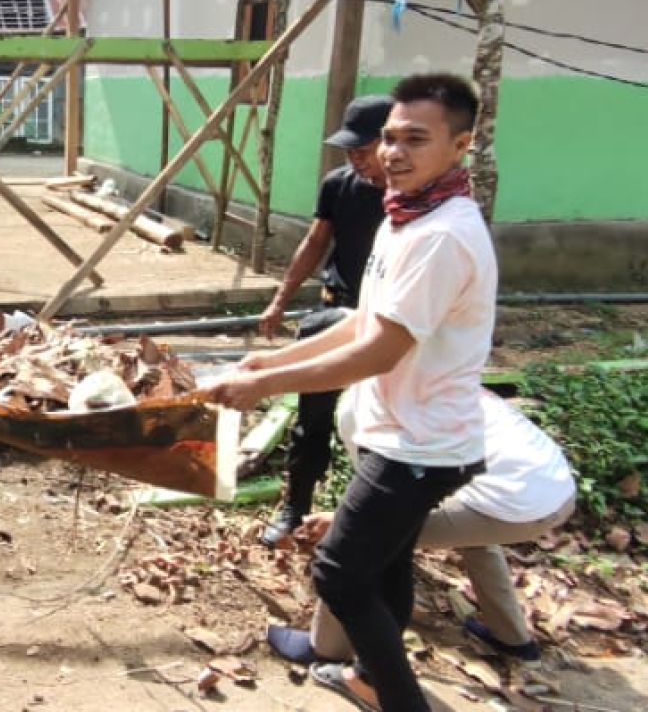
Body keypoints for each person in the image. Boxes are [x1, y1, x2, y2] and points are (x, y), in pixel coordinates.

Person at [208, 73, 496, 711]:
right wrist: (272, 357)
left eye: (416, 139)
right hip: (401, 430)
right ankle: (370, 674)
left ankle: (400, 700)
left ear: (461, 145)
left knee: (338, 571)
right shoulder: (407, 215)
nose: (394, 152)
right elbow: (364, 322)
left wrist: (264, 383)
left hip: (421, 445)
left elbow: (378, 352)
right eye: (390, 138)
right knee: (386, 567)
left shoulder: (442, 234)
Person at [266, 389, 577, 670]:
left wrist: (342, 520)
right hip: (557, 493)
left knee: (354, 542)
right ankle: (513, 639)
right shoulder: (442, 379)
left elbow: (377, 500)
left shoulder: (360, 405)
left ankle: (327, 648)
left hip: (511, 503)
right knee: (477, 540)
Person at [255, 95, 392, 547]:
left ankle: (364, 517)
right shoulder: (338, 185)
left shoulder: (411, 198)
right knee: (312, 418)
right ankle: (297, 506)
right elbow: (315, 243)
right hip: (338, 310)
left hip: (389, 323)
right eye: (349, 150)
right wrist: (280, 300)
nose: (355, 158)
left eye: (363, 148)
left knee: (379, 422)